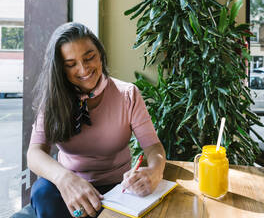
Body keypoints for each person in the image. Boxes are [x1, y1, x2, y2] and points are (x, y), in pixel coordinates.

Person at [27, 22, 166, 218]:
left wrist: (154, 171)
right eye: (71, 64)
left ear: (100, 54)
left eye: (89, 57)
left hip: (119, 188)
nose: (83, 69)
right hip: (69, 184)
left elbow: (153, 147)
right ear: (60, 69)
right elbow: (34, 153)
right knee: (43, 193)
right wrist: (65, 179)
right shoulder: (53, 99)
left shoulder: (128, 94)